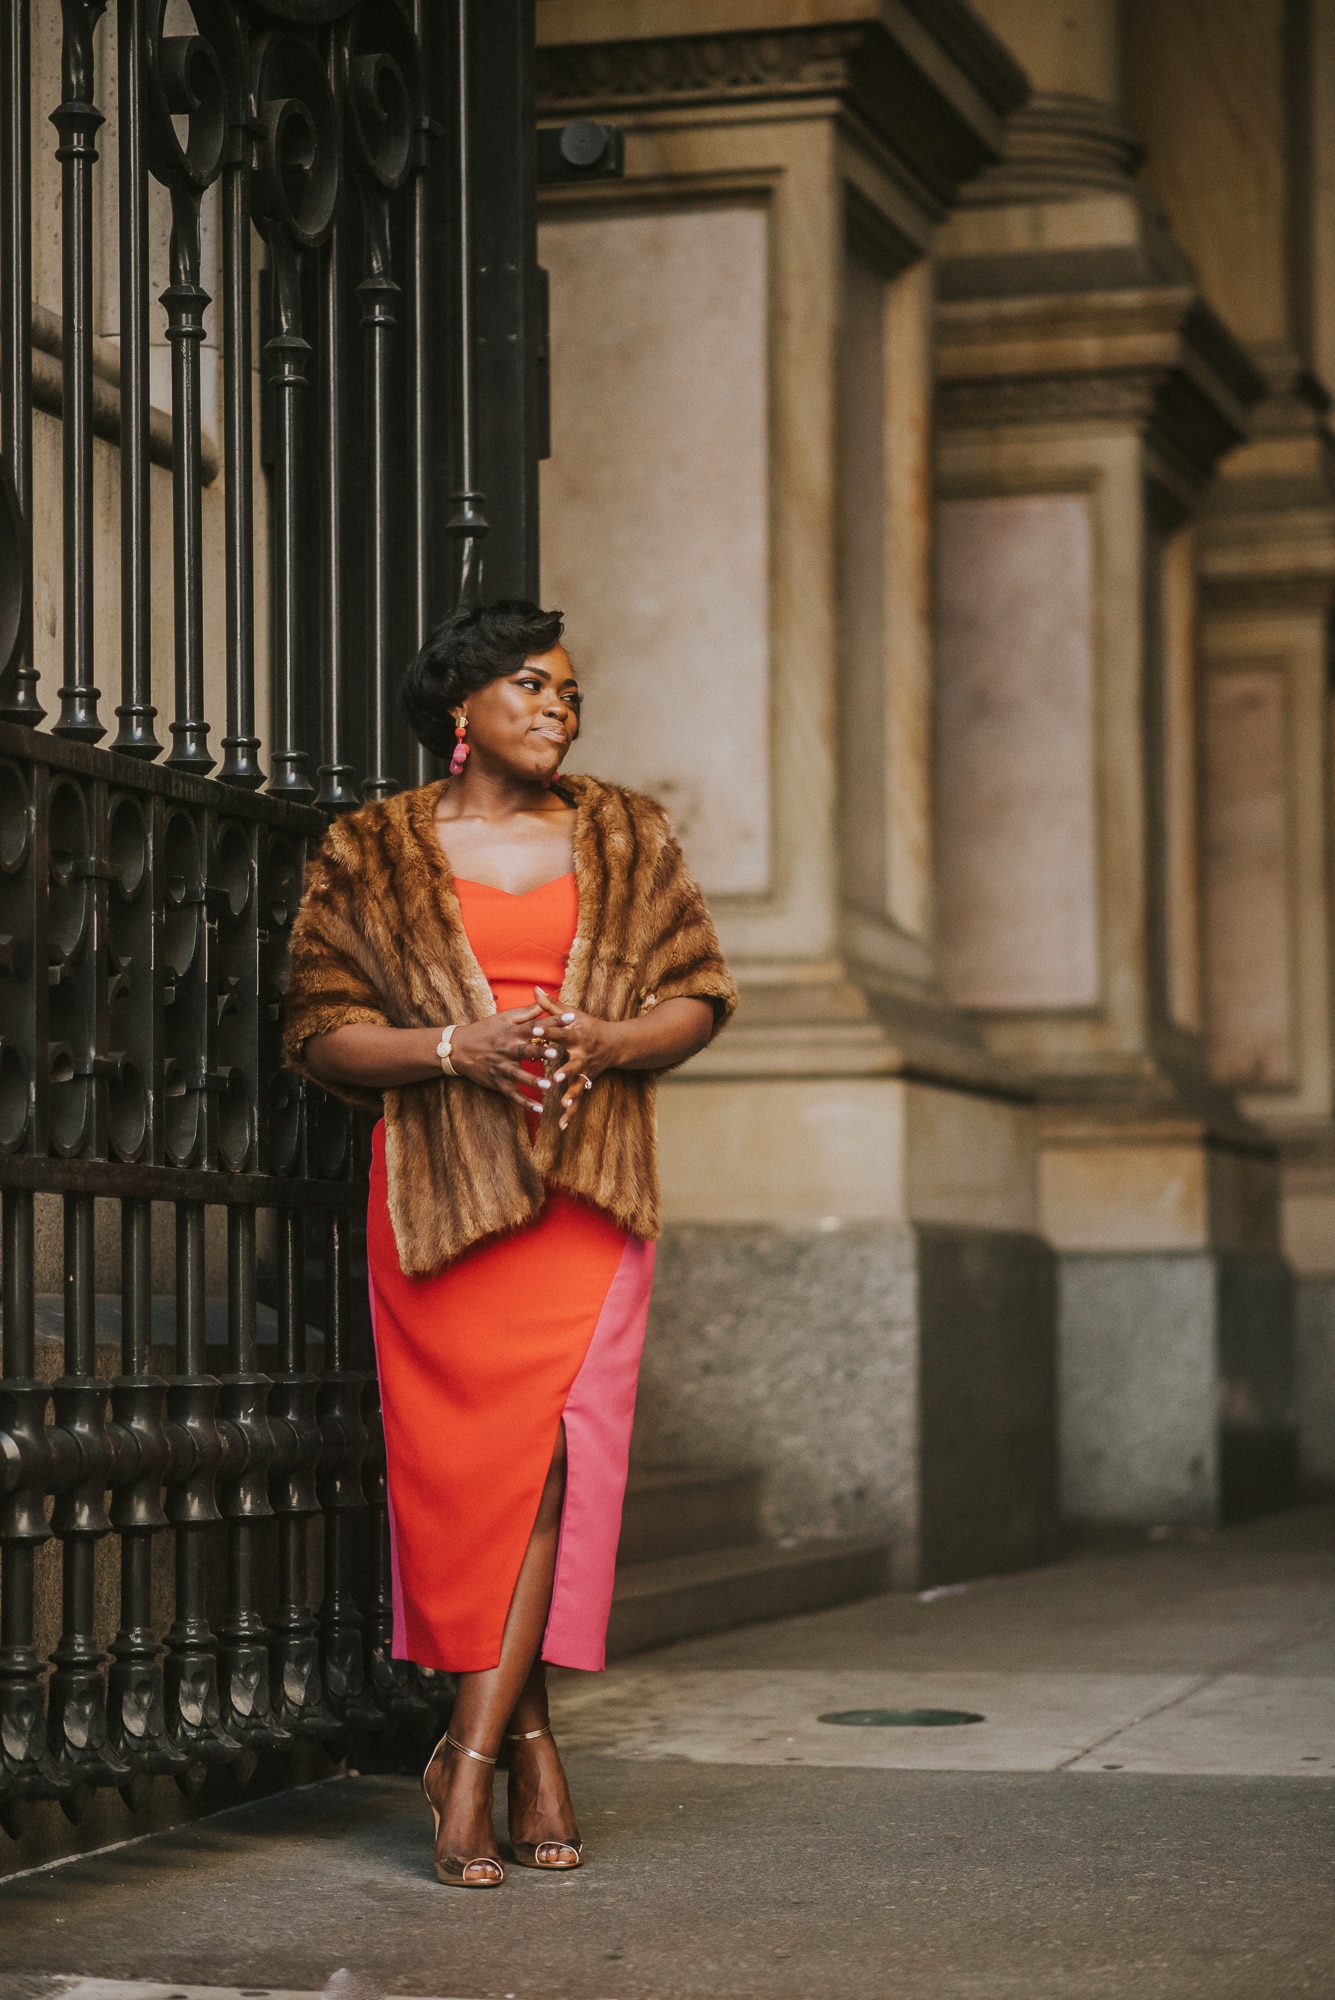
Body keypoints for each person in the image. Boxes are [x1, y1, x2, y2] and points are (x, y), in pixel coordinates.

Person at [282, 600, 735, 1888]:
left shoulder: (629, 832)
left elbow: (698, 995)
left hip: (587, 1198)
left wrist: (606, 1040)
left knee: (550, 1473)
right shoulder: (370, 849)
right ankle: (526, 1741)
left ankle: (465, 1771)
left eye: (571, 694)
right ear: (460, 708)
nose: (558, 709)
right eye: (532, 687)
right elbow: (319, 1035)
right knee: (475, 1485)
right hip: (439, 1207)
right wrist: (452, 1048)